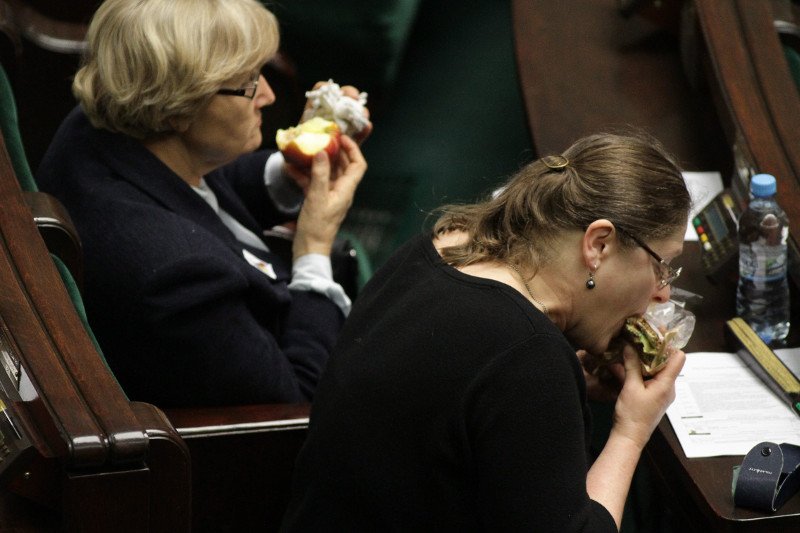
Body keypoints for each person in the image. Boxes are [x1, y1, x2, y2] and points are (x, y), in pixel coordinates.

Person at [281, 132, 690, 531]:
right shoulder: (530, 359)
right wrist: (631, 429)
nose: (663, 292)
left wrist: (567, 388)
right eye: (662, 266)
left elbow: (456, 398)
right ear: (598, 244)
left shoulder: (442, 244)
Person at [35, 0, 371, 407]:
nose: (267, 95)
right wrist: (313, 249)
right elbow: (296, 400)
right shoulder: (179, 277)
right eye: (248, 82)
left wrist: (289, 172)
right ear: (178, 107)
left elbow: (195, 180)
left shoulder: (107, 118)